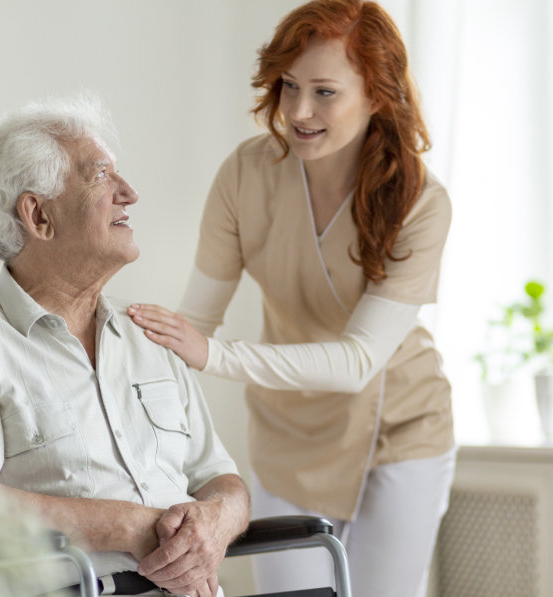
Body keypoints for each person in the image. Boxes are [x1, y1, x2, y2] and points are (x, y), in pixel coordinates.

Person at [126, 1, 455, 595]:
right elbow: (194, 322)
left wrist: (214, 354)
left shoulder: (420, 202)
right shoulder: (246, 176)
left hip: (400, 432)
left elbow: (357, 362)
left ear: (378, 95)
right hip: (288, 436)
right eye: (289, 86)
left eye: (325, 92)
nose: (299, 112)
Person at [0, 93, 249, 597]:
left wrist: (216, 521)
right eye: (101, 176)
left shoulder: (146, 329)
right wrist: (126, 526)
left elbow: (221, 478)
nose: (129, 193)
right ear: (38, 216)